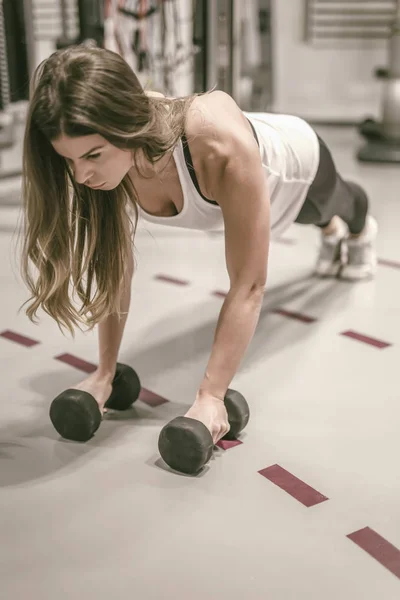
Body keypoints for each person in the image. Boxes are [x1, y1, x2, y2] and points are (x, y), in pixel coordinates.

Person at [19, 45, 378, 445]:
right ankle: (331, 234)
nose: (81, 175)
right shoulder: (107, 160)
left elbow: (249, 284)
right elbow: (116, 270)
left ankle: (357, 232)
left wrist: (211, 395)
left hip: (296, 165)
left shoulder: (217, 144)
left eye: (92, 156)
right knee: (320, 222)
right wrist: (105, 373)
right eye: (69, 160)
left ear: (126, 128)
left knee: (337, 207)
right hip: (245, 183)